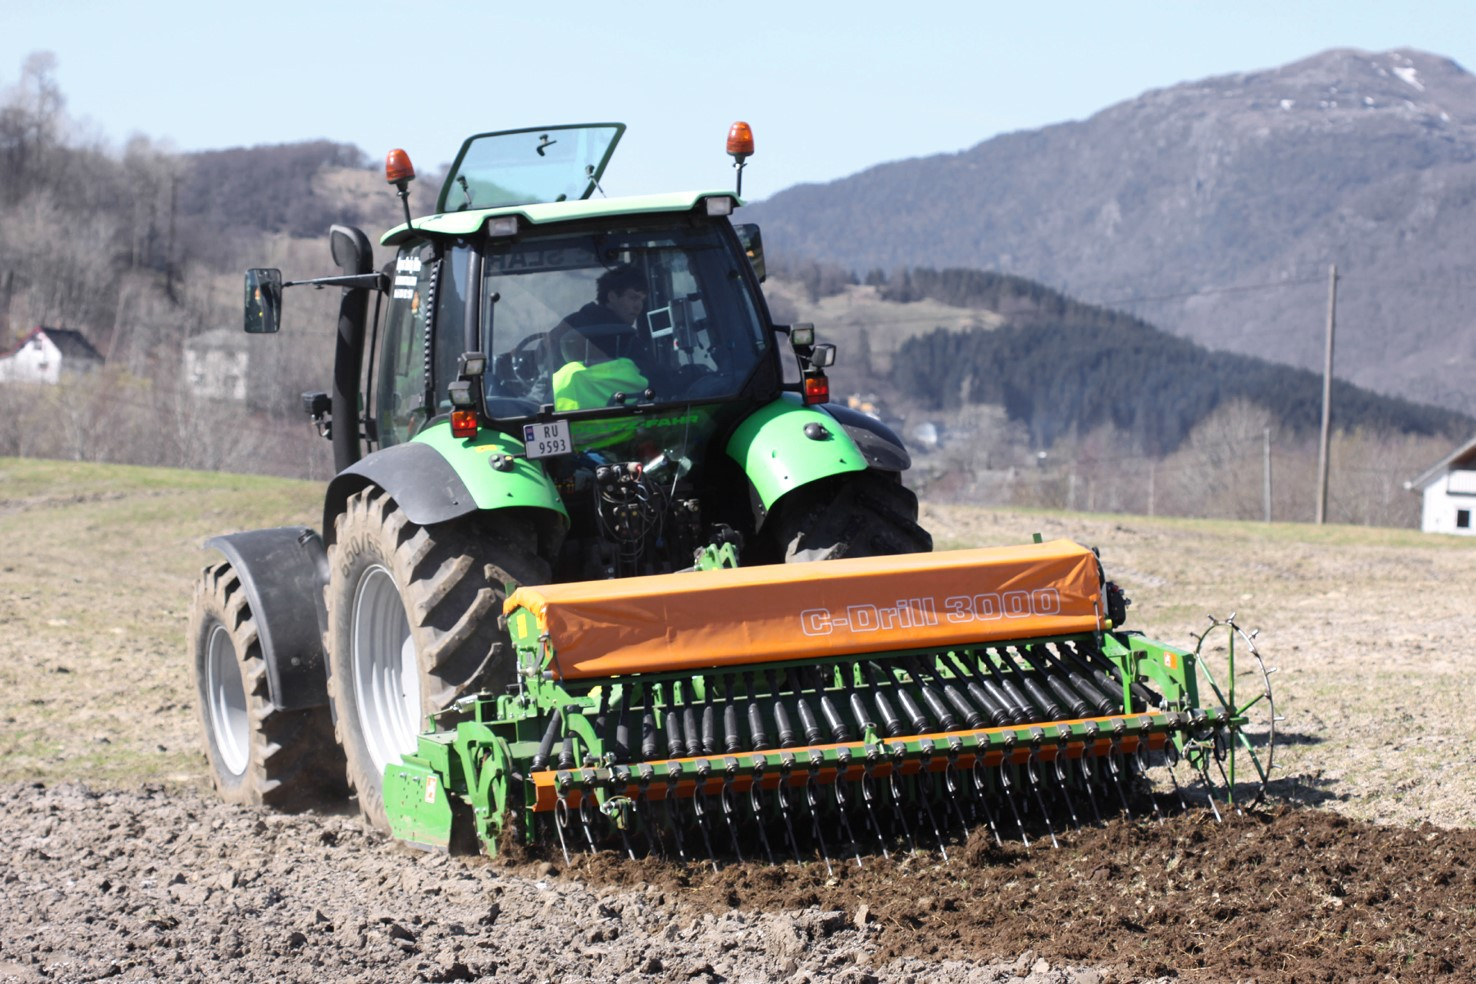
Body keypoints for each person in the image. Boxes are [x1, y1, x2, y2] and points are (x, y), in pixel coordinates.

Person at [550, 265, 651, 411]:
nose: (638, 306)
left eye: (642, 300)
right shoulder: (626, 339)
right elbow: (655, 378)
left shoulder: (568, 325)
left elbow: (542, 363)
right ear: (612, 297)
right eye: (633, 298)